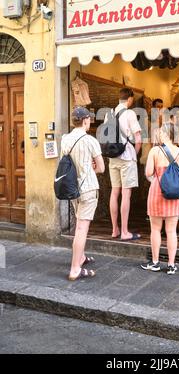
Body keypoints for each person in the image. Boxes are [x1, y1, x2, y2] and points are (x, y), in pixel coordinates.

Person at [141, 123, 179, 275]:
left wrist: (156, 176)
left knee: (155, 229)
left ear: (164, 134)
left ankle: (155, 262)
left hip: (157, 191)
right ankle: (171, 265)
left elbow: (149, 172)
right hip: (175, 195)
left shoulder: (155, 151)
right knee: (171, 231)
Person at [61, 107, 105, 281]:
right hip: (87, 188)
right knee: (81, 228)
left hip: (73, 189)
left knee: (79, 225)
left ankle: (80, 257)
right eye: (89, 120)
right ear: (86, 120)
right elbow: (101, 168)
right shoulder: (90, 140)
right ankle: (75, 269)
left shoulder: (65, 139)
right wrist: (91, 167)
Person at [108, 88, 142, 241]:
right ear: (129, 99)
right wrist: (134, 154)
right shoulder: (130, 113)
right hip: (127, 157)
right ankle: (125, 232)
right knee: (126, 195)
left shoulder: (109, 114)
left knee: (114, 192)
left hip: (112, 157)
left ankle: (115, 229)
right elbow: (138, 138)